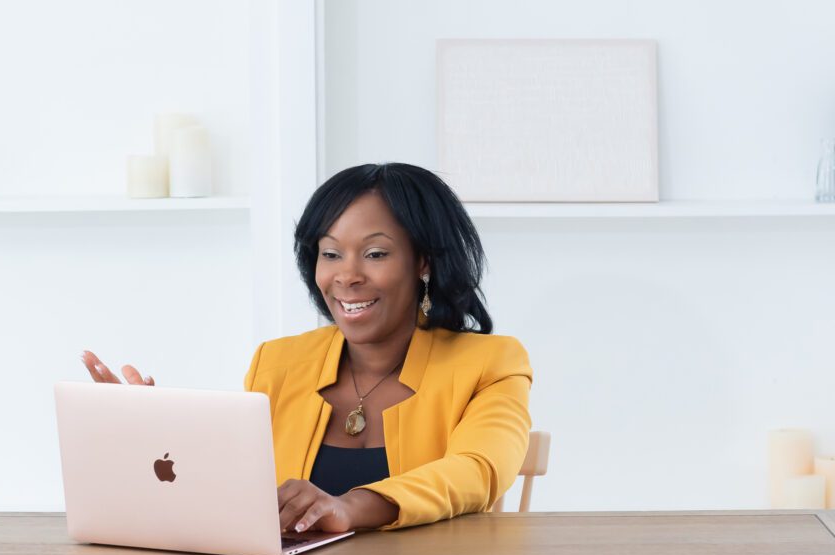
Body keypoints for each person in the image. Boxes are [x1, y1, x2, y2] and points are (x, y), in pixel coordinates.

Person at [81, 163, 532, 533]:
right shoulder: (277, 363)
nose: (347, 276)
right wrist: (146, 433)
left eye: (375, 254)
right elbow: (237, 493)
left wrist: (351, 507)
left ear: (424, 262)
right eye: (331, 253)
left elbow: (476, 471)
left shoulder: (490, 364)